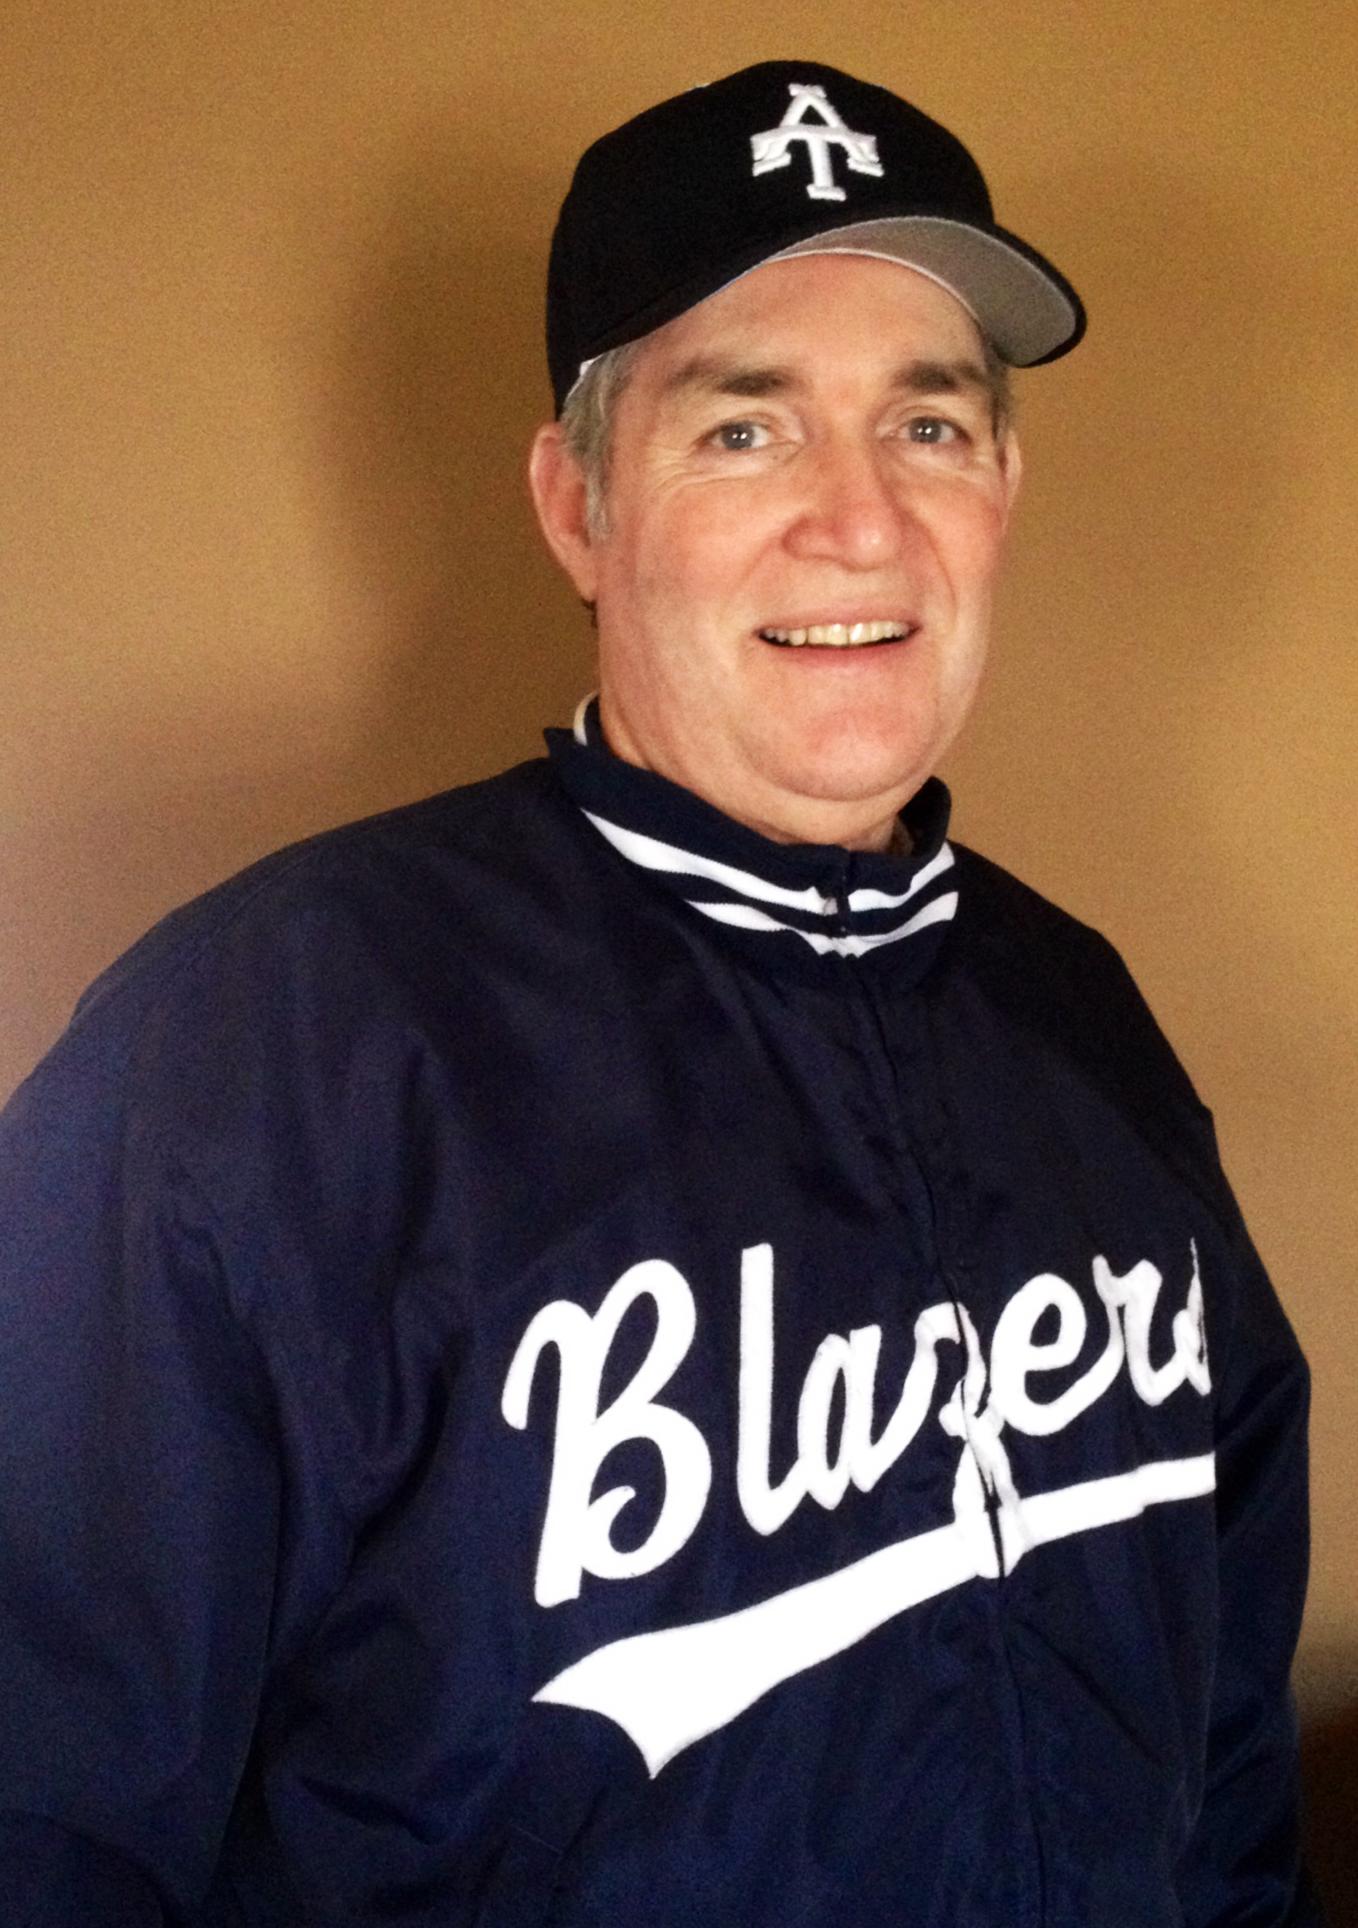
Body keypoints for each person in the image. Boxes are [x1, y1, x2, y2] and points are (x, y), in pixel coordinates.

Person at [0, 59, 1317, 1927]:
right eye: (745, 429)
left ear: (1005, 487)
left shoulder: (1081, 1013)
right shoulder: (254, 1050)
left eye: (928, 427)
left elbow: (1225, 1779)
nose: (860, 522)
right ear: (578, 504)